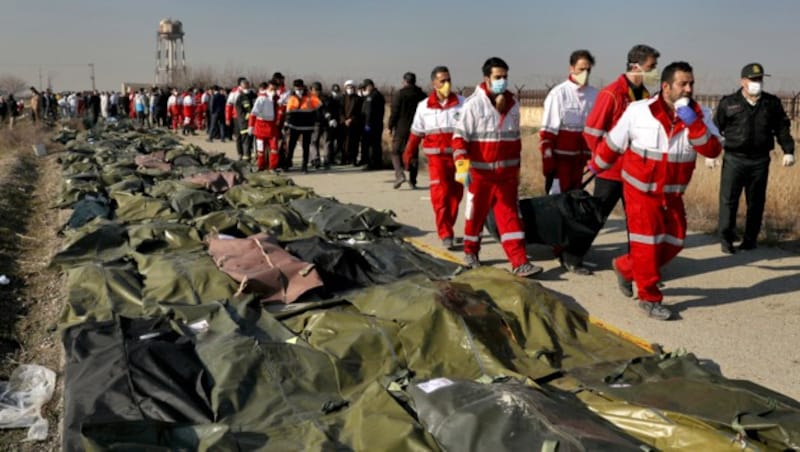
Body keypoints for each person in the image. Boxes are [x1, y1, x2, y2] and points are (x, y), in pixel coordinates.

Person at [588, 61, 722, 320]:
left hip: (672, 195)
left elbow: (712, 150)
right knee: (647, 244)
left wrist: (694, 125)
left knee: (674, 242)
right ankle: (649, 297)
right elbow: (613, 142)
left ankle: (625, 268)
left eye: (691, 84)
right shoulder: (639, 111)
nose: (688, 89)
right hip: (640, 192)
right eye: (683, 84)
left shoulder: (701, 114)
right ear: (666, 87)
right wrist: (595, 166)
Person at [452, 57, 543, 277]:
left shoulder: (513, 104)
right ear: (486, 78)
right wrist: (462, 169)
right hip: (480, 176)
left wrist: (517, 172)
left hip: (506, 177)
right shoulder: (474, 105)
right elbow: (459, 139)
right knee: (475, 216)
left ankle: (519, 262)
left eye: (505, 77)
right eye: (497, 77)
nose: (502, 81)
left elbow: (516, 141)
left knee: (510, 217)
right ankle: (471, 252)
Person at [712, 63, 795, 254]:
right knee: (728, 200)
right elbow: (715, 129)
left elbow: (782, 128)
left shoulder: (771, 103)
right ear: (743, 81)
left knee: (756, 201)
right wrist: (712, 154)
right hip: (734, 159)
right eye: (753, 79)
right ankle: (726, 238)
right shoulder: (729, 103)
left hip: (759, 161)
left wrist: (788, 150)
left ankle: (750, 240)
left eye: (759, 79)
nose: (757, 83)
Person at [584, 44, 661, 220]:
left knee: (637, 219)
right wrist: (602, 160)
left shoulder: (645, 96)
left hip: (636, 172)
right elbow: (591, 132)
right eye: (651, 67)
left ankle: (636, 248)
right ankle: (573, 248)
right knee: (595, 219)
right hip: (611, 171)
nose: (655, 71)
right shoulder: (612, 93)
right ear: (635, 67)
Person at [539, 49, 599, 275]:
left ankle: (571, 249)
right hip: (561, 162)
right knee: (558, 206)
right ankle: (558, 247)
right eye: (581, 68)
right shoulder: (559, 94)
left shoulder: (595, 95)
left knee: (577, 207)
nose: (584, 73)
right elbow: (547, 133)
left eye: (588, 69)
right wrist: (548, 162)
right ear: (571, 68)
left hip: (582, 163)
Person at [403, 65, 465, 250]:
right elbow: (416, 133)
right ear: (434, 83)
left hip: (460, 159)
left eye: (448, 80)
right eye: (442, 81)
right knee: (440, 196)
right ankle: (445, 232)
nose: (446, 84)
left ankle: (449, 226)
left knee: (456, 195)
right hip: (437, 160)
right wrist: (408, 153)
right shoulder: (424, 107)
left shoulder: (463, 103)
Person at [389, 72, 427, 188]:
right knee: (413, 153)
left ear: (404, 81)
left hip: (401, 128)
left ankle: (400, 174)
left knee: (396, 152)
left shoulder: (400, 94)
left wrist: (390, 126)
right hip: (417, 128)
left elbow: (394, 112)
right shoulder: (422, 95)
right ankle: (413, 180)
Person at [284, 79, 321, 172]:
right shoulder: (291, 97)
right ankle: (288, 163)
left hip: (307, 125)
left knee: (306, 146)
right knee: (291, 146)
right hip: (294, 125)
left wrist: (317, 120)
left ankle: (304, 165)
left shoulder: (310, 97)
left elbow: (319, 108)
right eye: (296, 88)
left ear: (303, 87)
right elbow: (288, 112)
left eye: (300, 88)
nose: (298, 90)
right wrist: (287, 123)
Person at [248, 80, 281, 171]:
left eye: (275, 87)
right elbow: (253, 112)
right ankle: (260, 166)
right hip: (261, 126)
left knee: (274, 148)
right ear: (268, 87)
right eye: (272, 87)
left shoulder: (276, 98)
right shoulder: (261, 98)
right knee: (260, 149)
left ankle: (272, 167)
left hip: (272, 126)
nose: (273, 89)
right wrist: (251, 126)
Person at [360, 78, 385, 170]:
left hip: (372, 124)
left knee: (371, 144)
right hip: (375, 124)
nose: (364, 90)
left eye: (365, 88)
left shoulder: (373, 96)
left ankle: (372, 163)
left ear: (370, 86)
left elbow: (369, 112)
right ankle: (376, 163)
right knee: (375, 144)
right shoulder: (375, 95)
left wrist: (367, 124)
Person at [341, 80, 363, 165]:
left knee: (354, 142)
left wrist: (352, 119)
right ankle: (344, 159)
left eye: (351, 87)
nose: (350, 89)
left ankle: (353, 159)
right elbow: (340, 111)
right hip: (344, 124)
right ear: (345, 88)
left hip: (354, 124)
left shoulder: (358, 99)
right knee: (344, 142)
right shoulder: (342, 98)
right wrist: (344, 120)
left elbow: (359, 112)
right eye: (348, 87)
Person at [234, 80, 256, 160]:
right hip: (244, 122)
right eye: (244, 85)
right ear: (241, 85)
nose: (246, 86)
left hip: (253, 122)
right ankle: (245, 156)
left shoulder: (253, 95)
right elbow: (239, 111)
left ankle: (250, 155)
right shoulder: (240, 97)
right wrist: (247, 117)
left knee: (252, 139)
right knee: (244, 139)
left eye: (247, 84)